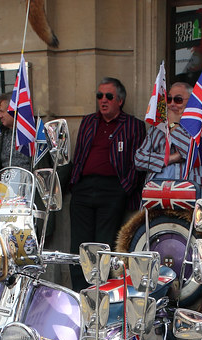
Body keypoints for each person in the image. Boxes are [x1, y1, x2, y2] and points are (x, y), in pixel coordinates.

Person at [68, 77, 146, 290]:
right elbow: (79, 153)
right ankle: (79, 295)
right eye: (99, 96)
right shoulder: (88, 121)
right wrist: (75, 183)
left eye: (108, 96)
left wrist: (124, 189)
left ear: (119, 100)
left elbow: (137, 162)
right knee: (79, 248)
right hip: (84, 189)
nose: (103, 100)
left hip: (112, 190)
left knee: (104, 247)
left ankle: (100, 296)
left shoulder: (134, 126)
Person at [133, 81, 202, 197]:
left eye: (178, 100)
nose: (172, 104)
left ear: (192, 102)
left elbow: (196, 154)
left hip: (192, 190)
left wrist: (174, 125)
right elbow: (139, 159)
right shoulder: (157, 128)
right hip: (157, 191)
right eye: (169, 99)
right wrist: (170, 158)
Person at [0, 92, 33, 173]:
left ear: (14, 111)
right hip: (5, 183)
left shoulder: (33, 133)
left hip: (29, 182)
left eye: (2, 111)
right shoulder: (0, 134)